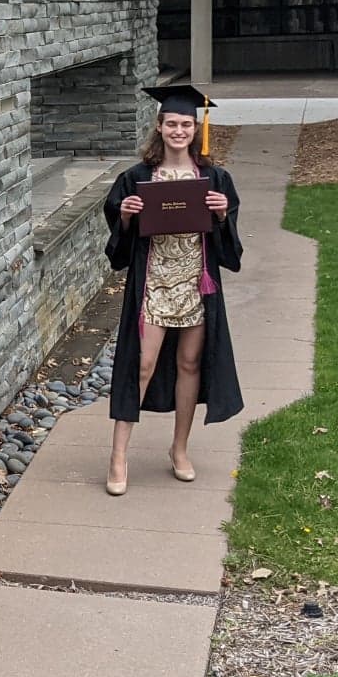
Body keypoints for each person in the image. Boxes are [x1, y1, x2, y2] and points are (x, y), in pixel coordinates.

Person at [99, 84, 244, 495]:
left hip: (197, 284)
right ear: (159, 127)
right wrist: (126, 217)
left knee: (190, 366)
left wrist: (220, 216)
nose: (179, 130)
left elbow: (229, 244)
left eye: (186, 124)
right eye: (171, 124)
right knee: (140, 365)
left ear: (195, 129)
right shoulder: (136, 178)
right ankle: (118, 455)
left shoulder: (214, 178)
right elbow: (119, 243)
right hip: (153, 284)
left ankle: (179, 449)